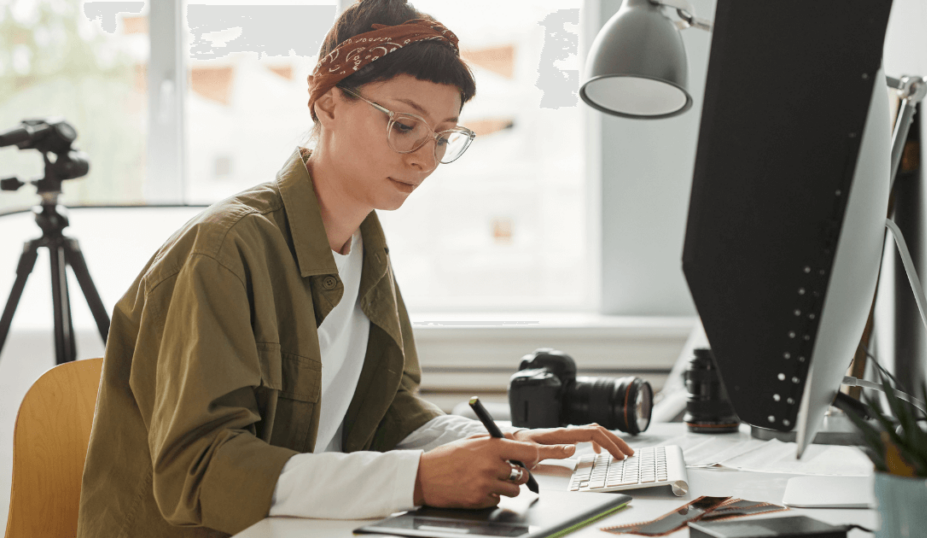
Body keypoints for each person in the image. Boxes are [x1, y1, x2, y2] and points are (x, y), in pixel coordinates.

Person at [76, 1, 634, 536]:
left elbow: (389, 414)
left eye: (443, 137)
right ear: (327, 104)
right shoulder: (223, 252)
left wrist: (512, 442)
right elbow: (201, 474)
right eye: (403, 125)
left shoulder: (366, 245)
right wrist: (419, 479)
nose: (424, 157)